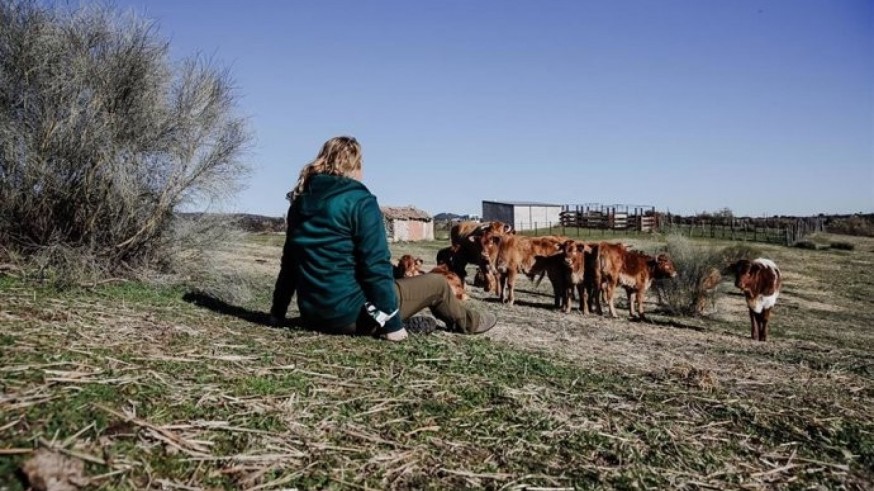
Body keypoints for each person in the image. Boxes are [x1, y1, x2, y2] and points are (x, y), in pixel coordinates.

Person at [269, 136, 497, 341]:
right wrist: (393, 326)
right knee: (437, 284)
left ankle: (384, 322)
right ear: (355, 164)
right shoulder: (360, 201)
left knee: (390, 285)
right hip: (351, 316)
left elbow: (289, 265)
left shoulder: (300, 203)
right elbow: (374, 266)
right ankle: (469, 322)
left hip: (312, 315)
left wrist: (277, 313)